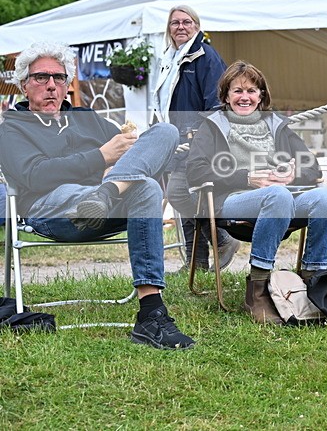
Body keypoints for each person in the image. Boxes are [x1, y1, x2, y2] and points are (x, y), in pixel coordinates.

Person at [0, 42, 194, 349]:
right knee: (130, 186)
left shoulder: (85, 117)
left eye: (59, 78)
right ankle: (105, 193)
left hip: (106, 204)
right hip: (53, 211)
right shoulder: (11, 129)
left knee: (164, 135)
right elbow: (34, 176)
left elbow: (131, 151)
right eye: (41, 78)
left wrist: (118, 171)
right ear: (24, 84)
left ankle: (150, 314)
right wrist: (102, 158)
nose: (51, 85)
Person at [186, 61, 327, 324]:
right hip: (232, 201)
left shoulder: (277, 124)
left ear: (261, 96)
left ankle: (313, 281)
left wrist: (293, 174)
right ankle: (258, 290)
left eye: (251, 91)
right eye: (237, 91)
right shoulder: (212, 126)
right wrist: (246, 177)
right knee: (277, 195)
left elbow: (312, 166)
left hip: (280, 201)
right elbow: (196, 171)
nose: (244, 97)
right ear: (225, 96)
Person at [152, 4, 240, 271]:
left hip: (196, 136)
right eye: (175, 23)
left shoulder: (205, 56)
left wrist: (201, 136)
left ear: (197, 26)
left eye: (186, 22)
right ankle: (196, 263)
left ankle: (223, 239)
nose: (180, 27)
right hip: (173, 136)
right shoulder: (170, 57)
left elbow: (216, 102)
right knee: (183, 201)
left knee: (180, 193)